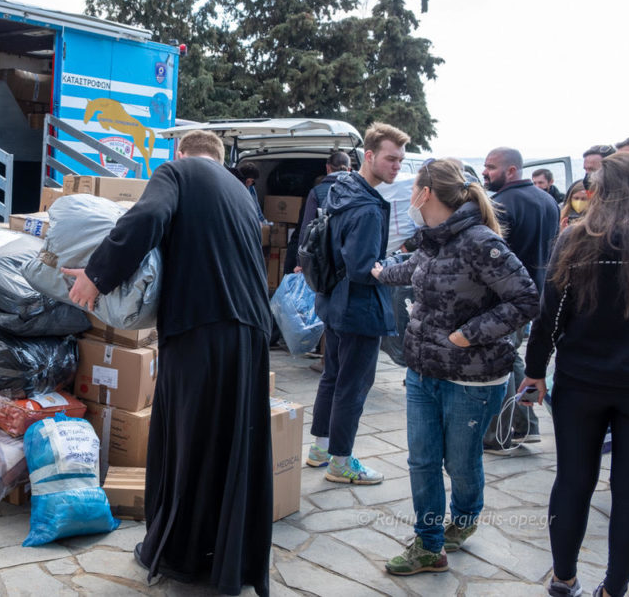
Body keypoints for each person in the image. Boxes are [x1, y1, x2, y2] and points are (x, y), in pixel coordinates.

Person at [63, 130, 272, 596]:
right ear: (218, 159)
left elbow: (149, 215)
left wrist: (96, 278)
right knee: (234, 446)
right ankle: (227, 561)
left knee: (186, 442)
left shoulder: (175, 172)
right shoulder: (240, 190)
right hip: (252, 333)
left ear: (182, 153)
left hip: (201, 328)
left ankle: (180, 556)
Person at [371, 160, 538, 574]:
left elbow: (526, 300)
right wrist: (379, 272)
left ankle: (463, 520)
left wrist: (468, 334)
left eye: (413, 188)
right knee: (422, 461)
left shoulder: (480, 242)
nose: (409, 194)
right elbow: (415, 270)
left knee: (460, 465)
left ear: (425, 193)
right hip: (423, 371)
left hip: (472, 380)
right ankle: (429, 546)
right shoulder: (431, 240)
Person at [521, 153, 629, 597]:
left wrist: (535, 371)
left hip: (580, 381)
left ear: (599, 190)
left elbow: (550, 317)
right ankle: (614, 588)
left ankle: (563, 578)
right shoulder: (574, 238)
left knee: (572, 480)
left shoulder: (575, 240)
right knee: (627, 494)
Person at [306, 122, 407, 485]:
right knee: (353, 385)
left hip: (333, 302)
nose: (397, 166)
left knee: (333, 378)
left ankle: (320, 448)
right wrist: (398, 262)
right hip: (359, 308)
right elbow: (365, 269)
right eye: (390, 158)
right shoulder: (366, 208)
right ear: (369, 156)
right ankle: (341, 462)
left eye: (401, 160)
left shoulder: (342, 189)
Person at [480, 147, 560, 451]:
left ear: (511, 171)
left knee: (504, 358)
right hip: (536, 295)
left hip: (505, 298)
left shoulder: (498, 204)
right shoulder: (549, 201)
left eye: (491, 167)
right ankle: (527, 426)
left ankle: (503, 432)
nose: (485, 173)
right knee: (513, 356)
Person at [284, 150, 352, 274]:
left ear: (327, 168)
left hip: (323, 258)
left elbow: (306, 228)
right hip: (349, 256)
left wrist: (301, 262)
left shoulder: (317, 192)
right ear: (349, 169)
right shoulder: (358, 190)